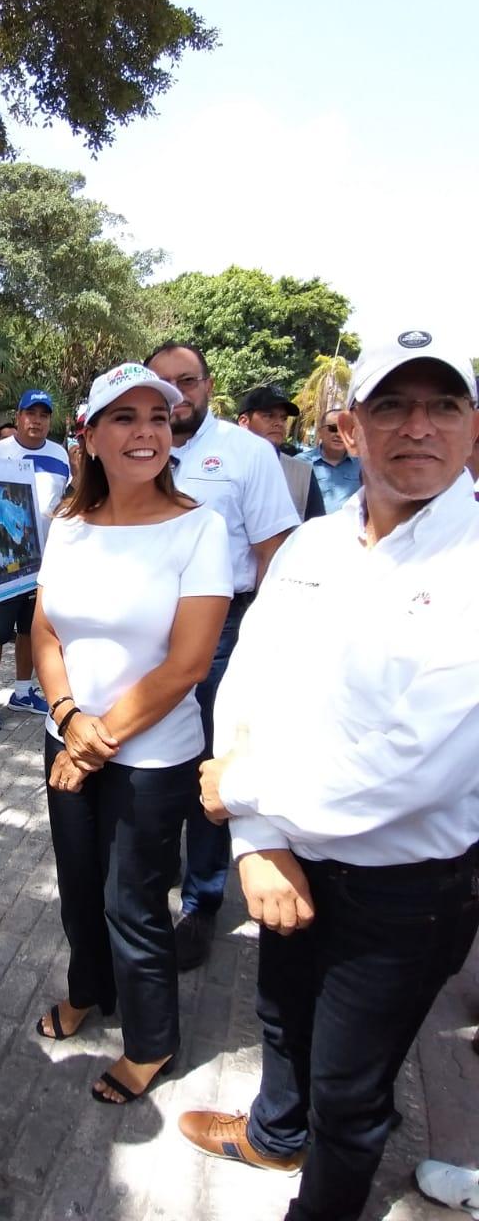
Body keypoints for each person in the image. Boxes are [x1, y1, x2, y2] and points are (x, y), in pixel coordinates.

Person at [179, 331, 479, 1221]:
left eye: (442, 407)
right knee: (281, 1018)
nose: (415, 427)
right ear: (352, 425)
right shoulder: (311, 545)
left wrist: (244, 798)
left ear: (474, 428)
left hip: (406, 889)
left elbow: (416, 765)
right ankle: (275, 1136)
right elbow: (249, 679)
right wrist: (261, 843)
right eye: (392, 404)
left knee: (352, 1094)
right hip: (290, 855)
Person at [31, 363, 232, 1103]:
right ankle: (89, 991)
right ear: (90, 436)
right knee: (77, 891)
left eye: (158, 416)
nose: (145, 430)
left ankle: (151, 1044)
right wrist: (65, 722)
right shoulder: (71, 524)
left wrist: (96, 740)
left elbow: (187, 664)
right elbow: (45, 630)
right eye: (124, 416)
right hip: (68, 737)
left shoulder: (199, 527)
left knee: (134, 904)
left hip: (150, 758)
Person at [144, 343, 299, 969]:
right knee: (152, 760)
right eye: (162, 386)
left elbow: (274, 554)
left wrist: (266, 648)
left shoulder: (248, 454)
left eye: (187, 382)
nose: (176, 395)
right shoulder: (136, 447)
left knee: (211, 769)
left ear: (208, 386)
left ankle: (203, 901)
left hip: (222, 633)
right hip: (145, 629)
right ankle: (149, 884)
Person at [0, 388, 69, 732]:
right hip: (2, 566)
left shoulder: (60, 456)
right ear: (18, 417)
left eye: (44, 415)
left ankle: (22, 691)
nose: (37, 421)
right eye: (31, 414)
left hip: (44, 567)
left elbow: (68, 502)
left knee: (30, 632)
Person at [236, 385, 325, 521]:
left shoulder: (302, 473)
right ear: (244, 422)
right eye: (268, 416)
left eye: (283, 418)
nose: (279, 423)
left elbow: (316, 530)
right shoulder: (222, 466)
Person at [296, 407, 362, 512]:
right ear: (320, 432)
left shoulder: (363, 465)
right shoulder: (300, 463)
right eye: (333, 428)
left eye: (345, 430)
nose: (339, 434)